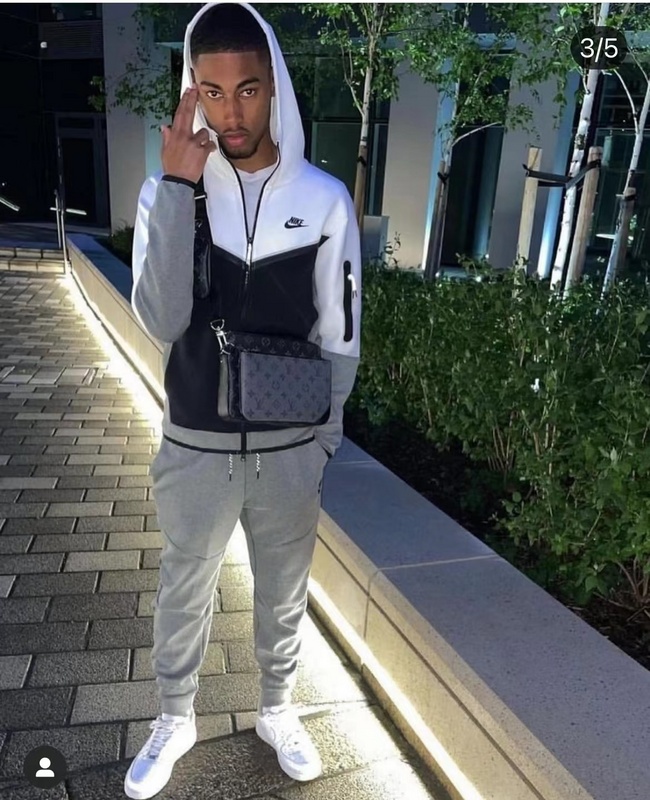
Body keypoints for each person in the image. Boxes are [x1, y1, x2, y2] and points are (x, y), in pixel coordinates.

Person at [125, 2, 361, 798]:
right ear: (192, 91)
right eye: (213, 91)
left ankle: (277, 709)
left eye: (248, 90)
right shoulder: (168, 191)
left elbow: (342, 329)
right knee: (183, 587)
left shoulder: (323, 198)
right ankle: (174, 717)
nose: (231, 111)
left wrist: (323, 439)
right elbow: (162, 320)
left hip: (291, 447)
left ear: (275, 89)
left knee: (285, 592)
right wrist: (176, 189)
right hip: (195, 444)